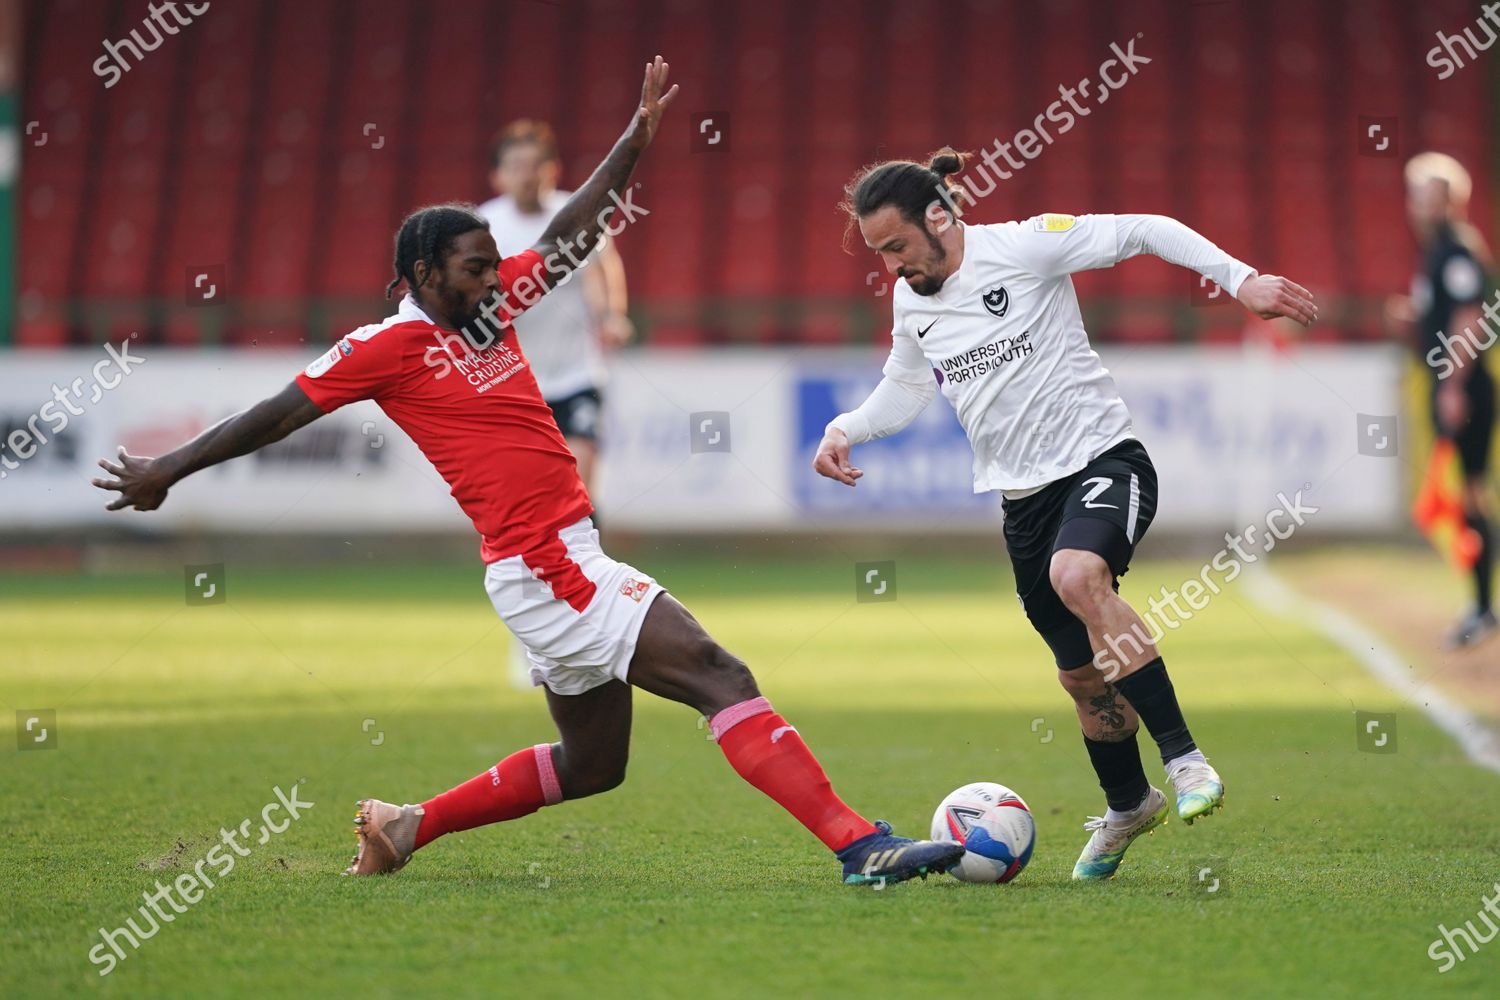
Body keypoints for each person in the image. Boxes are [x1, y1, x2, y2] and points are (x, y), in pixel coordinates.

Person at [92, 59, 962, 888]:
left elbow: (568, 235)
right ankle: (860, 846)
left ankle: (405, 826)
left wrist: (634, 138)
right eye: (476, 269)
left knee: (594, 767)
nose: (495, 281)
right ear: (424, 274)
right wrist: (170, 465)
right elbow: (278, 412)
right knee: (719, 675)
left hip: (542, 566)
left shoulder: (483, 313)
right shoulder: (387, 347)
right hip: (550, 564)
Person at [814, 148, 1316, 880]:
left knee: (1079, 576)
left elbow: (1146, 227)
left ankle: (1185, 760)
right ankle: (1127, 804)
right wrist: (845, 428)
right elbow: (905, 388)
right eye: (879, 252)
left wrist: (1242, 281)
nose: (890, 265)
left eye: (896, 246)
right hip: (1022, 504)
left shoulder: (1024, 245)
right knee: (1083, 680)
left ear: (940, 217)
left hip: (1102, 460)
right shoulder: (912, 301)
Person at [477, 119, 632, 496]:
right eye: (516, 167)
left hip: (578, 374)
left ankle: (585, 553)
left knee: (579, 480)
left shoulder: (574, 215)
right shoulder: (484, 227)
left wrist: (611, 315)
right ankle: (530, 556)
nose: (527, 176)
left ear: (553, 169)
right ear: (498, 176)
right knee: (524, 490)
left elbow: (602, 268)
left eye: (535, 165)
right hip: (514, 381)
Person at [1391, 152, 1496, 648]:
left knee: (1469, 495)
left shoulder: (1455, 249)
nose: (1415, 205)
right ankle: (1480, 604)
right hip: (1456, 385)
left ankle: (1482, 606)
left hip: (1466, 389)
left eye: (1424, 195)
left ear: (1449, 200)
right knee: (1464, 497)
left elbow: (1470, 319)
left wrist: (1453, 386)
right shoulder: (1437, 251)